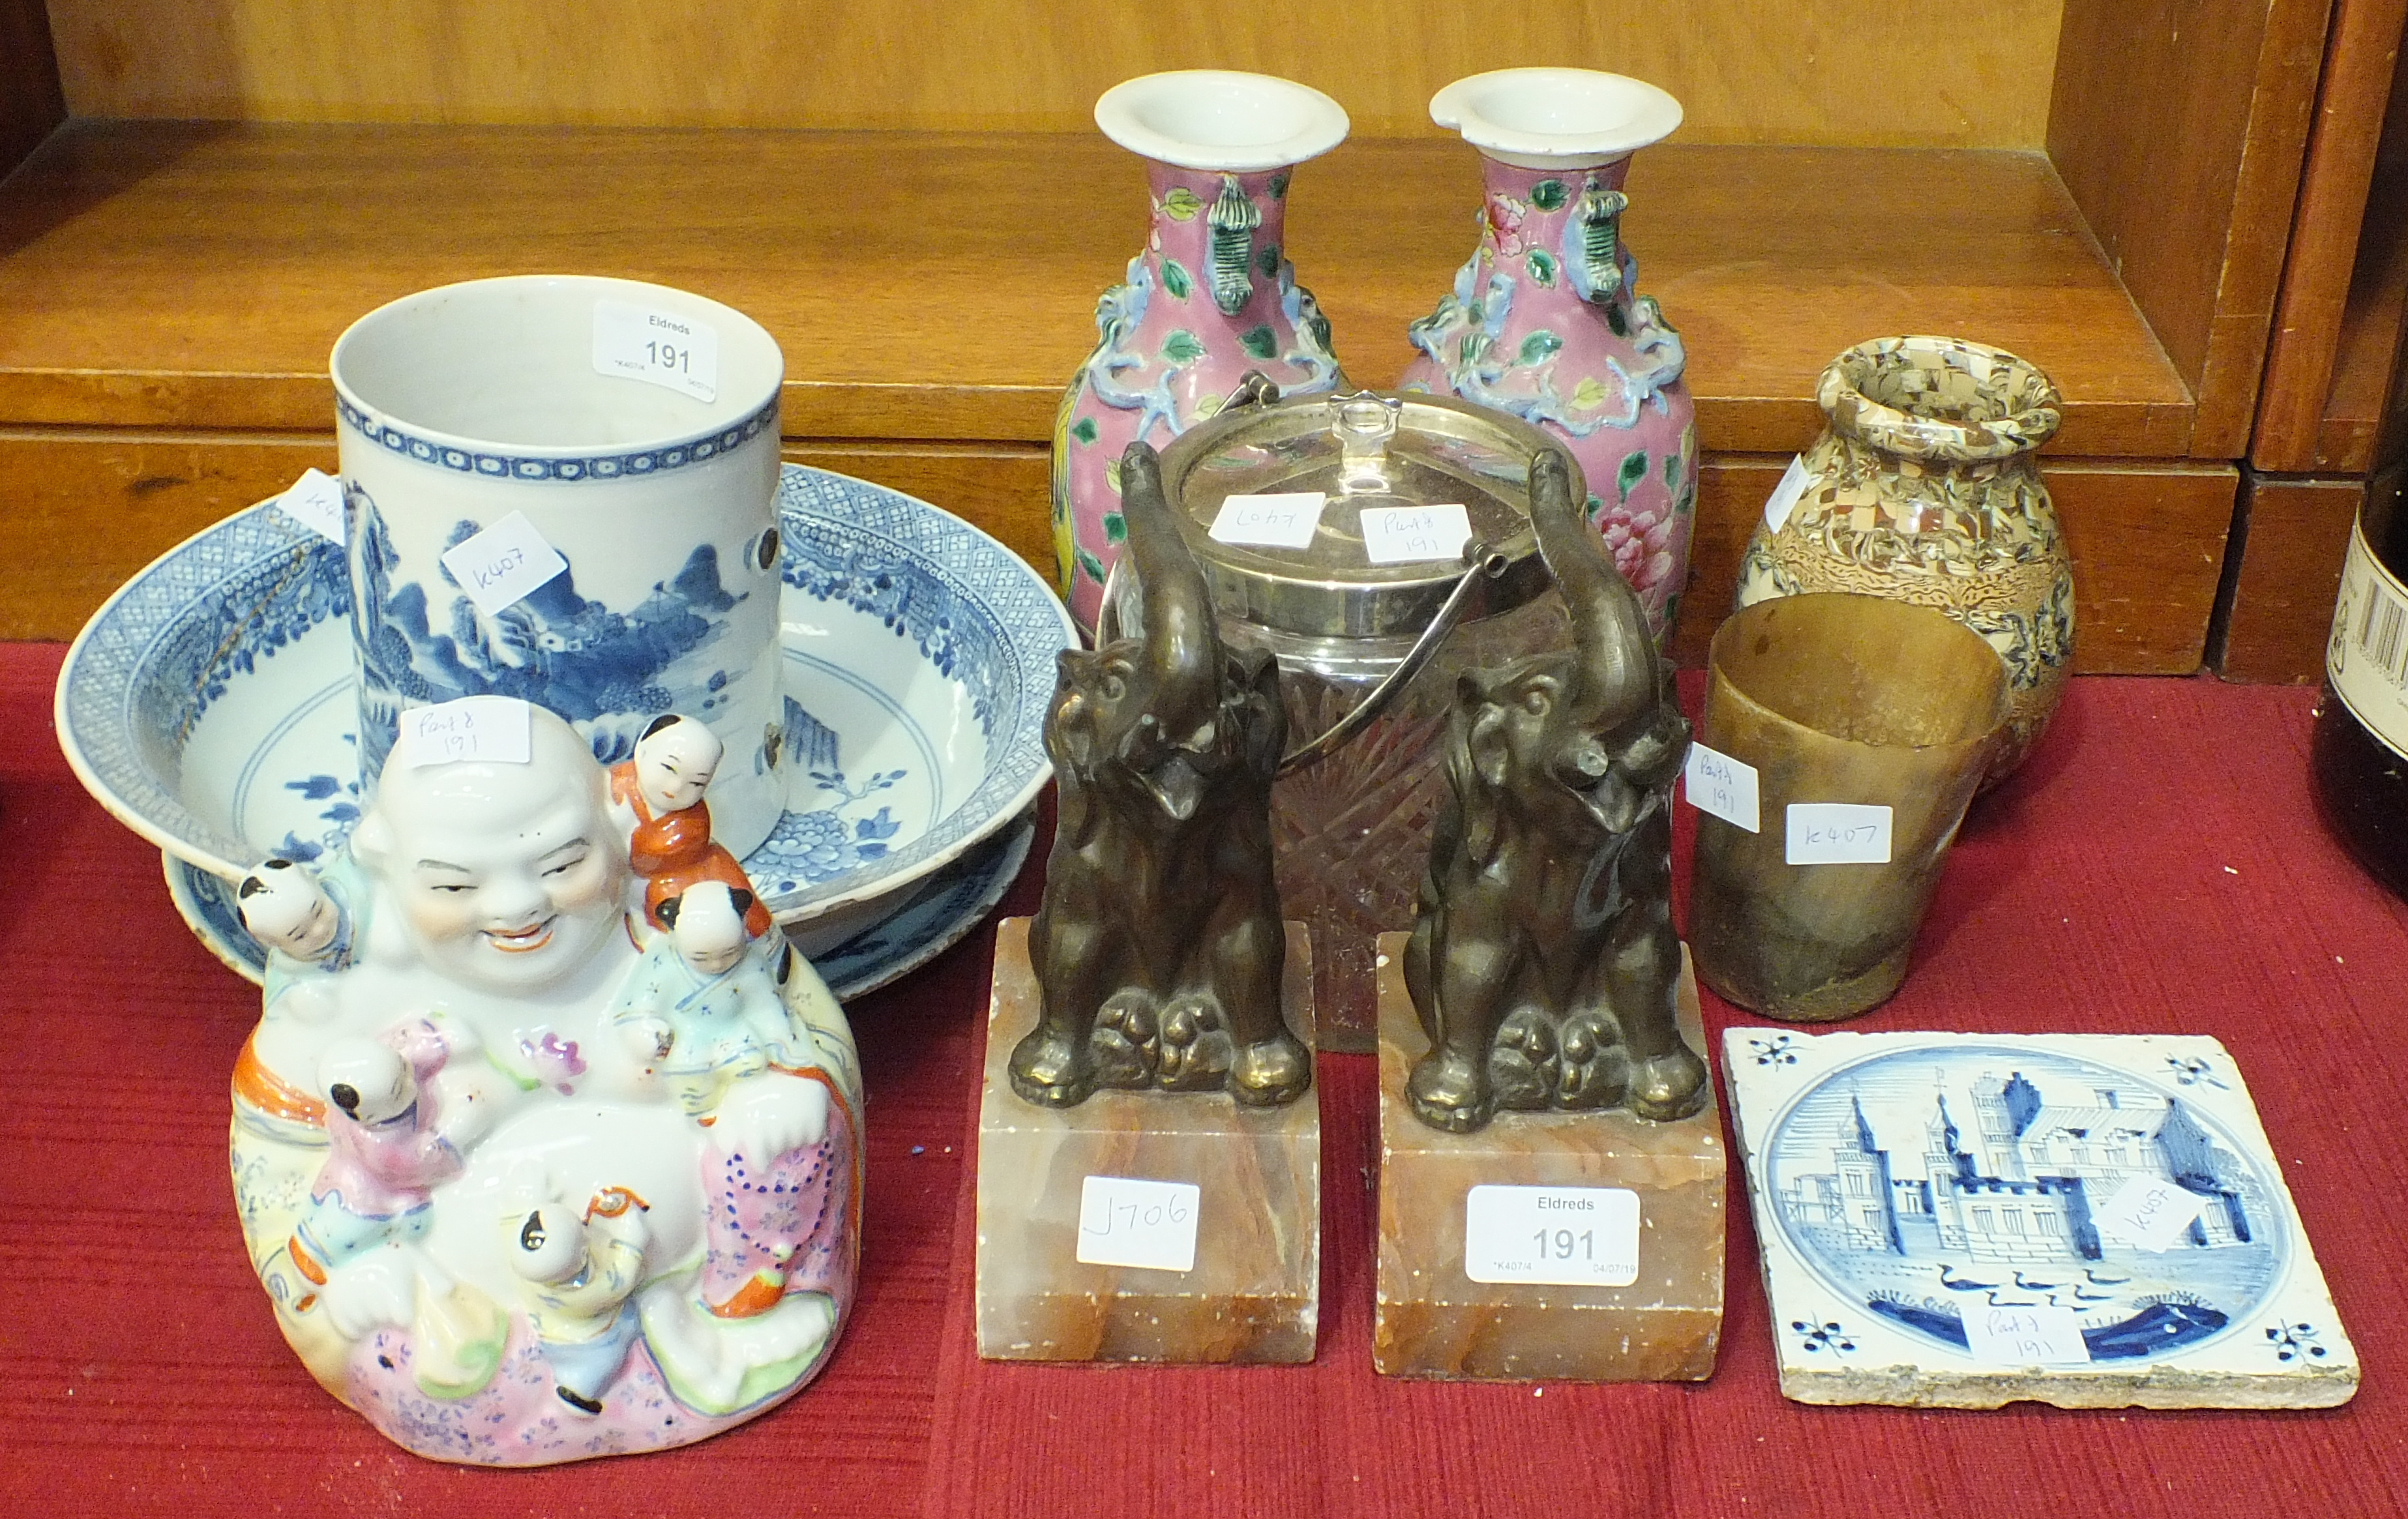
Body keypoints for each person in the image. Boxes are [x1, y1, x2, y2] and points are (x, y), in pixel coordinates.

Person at [609, 715, 774, 938]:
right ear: (642, 751)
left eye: (696, 783)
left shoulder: (691, 825)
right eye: (669, 768)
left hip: (676, 879)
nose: (676, 787)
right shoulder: (617, 783)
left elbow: (644, 860)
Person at [500, 1185, 651, 1416]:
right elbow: (623, 1277)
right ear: (582, 1254)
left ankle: (568, 1378)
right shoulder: (587, 1292)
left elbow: (512, 1223)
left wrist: (531, 1198)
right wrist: (631, 1236)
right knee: (607, 1358)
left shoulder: (519, 1262)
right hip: (589, 1338)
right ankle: (579, 1393)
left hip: (547, 1333)